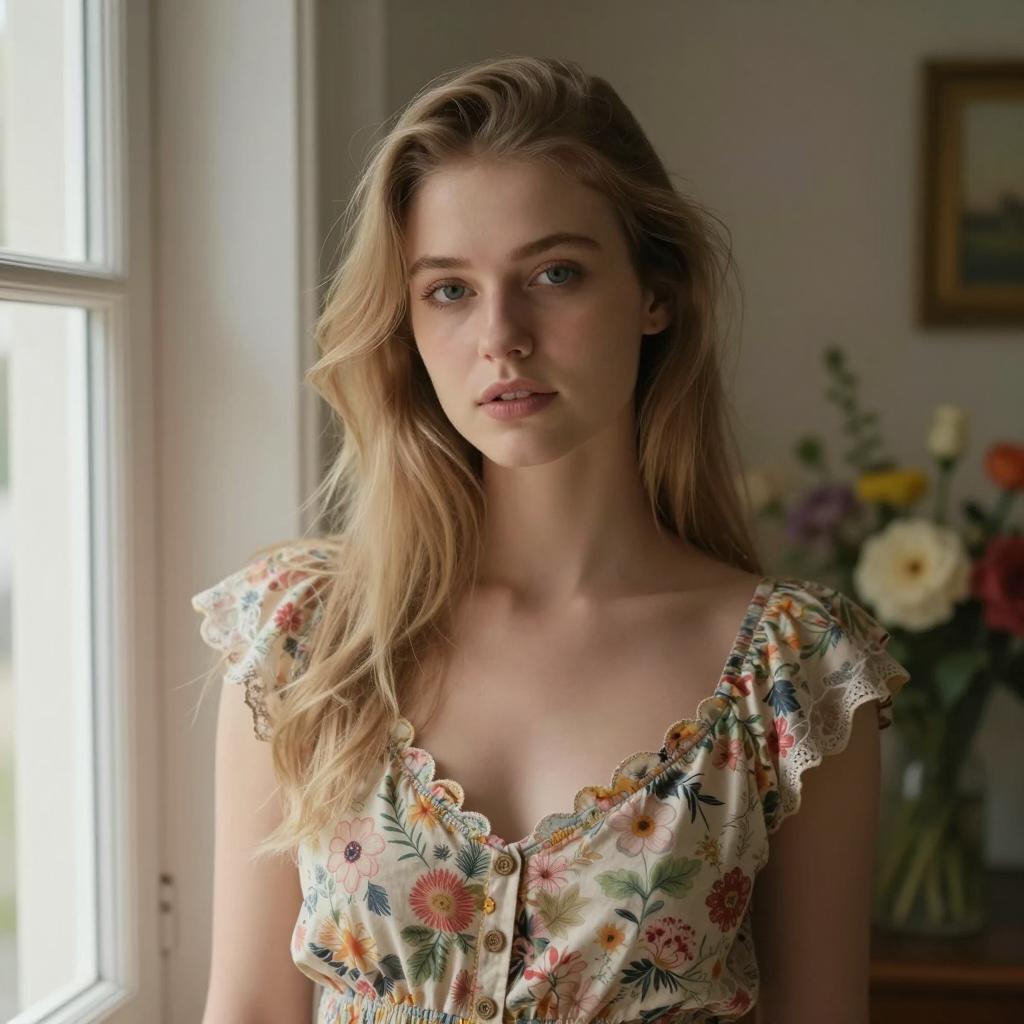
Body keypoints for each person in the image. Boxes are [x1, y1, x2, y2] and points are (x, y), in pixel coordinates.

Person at [191, 55, 910, 1024]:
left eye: (554, 274)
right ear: (404, 321)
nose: (502, 335)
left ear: (655, 294)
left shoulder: (793, 671)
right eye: (449, 290)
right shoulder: (304, 637)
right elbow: (247, 1008)